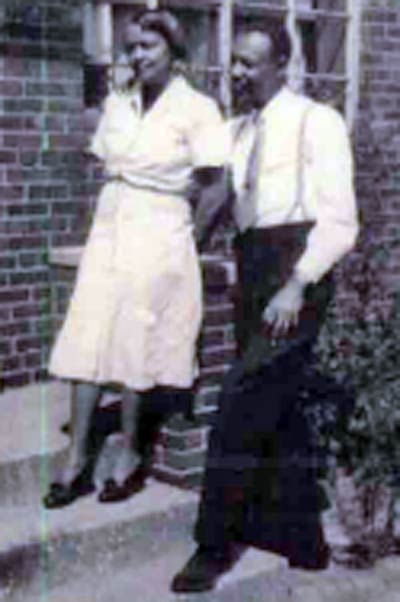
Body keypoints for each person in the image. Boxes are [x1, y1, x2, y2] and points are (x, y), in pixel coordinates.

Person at [171, 24, 359, 592]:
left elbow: (341, 220)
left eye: (250, 64)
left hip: (296, 270)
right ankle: (304, 541)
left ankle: (212, 545)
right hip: (253, 268)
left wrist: (298, 283)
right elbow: (212, 202)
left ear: (284, 64)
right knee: (280, 402)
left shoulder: (316, 121)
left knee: (238, 395)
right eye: (233, 63)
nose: (237, 73)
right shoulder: (236, 132)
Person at [43, 10, 226, 508]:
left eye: (148, 46)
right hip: (113, 222)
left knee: (135, 342)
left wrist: (191, 239)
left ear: (174, 49)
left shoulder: (198, 108)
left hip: (161, 227)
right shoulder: (118, 104)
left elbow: (216, 187)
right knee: (88, 334)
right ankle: (76, 460)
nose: (137, 56)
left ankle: (128, 456)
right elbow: (105, 165)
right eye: (132, 48)